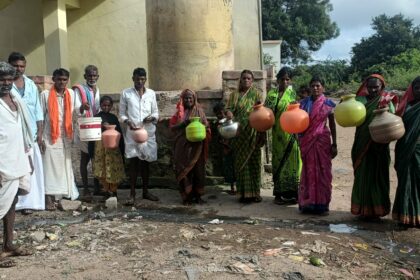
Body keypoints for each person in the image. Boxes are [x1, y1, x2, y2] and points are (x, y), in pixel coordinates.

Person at [351, 74, 398, 219]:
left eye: (376, 87)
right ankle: (361, 210)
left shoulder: (386, 101)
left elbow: (392, 122)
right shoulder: (359, 101)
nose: (372, 90)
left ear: (382, 87)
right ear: (366, 87)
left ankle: (377, 210)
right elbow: (350, 115)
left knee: (378, 177)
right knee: (362, 176)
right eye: (370, 87)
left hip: (380, 147)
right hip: (362, 145)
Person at [0, 61, 33, 267]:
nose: (5, 82)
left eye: (9, 79)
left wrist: (26, 156)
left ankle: (8, 245)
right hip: (2, 164)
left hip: (17, 158)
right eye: (1, 79)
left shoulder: (15, 99)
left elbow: (21, 130)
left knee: (11, 204)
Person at [8, 52, 45, 214]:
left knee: (31, 168)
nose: (19, 69)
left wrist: (40, 133)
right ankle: (13, 202)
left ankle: (29, 203)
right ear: (9, 65)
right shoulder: (5, 86)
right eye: (15, 65)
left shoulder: (30, 85)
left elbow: (38, 111)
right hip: (13, 135)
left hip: (31, 134)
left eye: (22, 66)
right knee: (15, 169)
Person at [40, 68, 80, 210]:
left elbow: (77, 111)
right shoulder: (45, 95)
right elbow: (41, 117)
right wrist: (40, 138)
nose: (62, 82)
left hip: (66, 136)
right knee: (49, 166)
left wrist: (83, 108)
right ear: (53, 79)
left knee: (64, 165)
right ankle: (48, 198)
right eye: (59, 79)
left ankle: (62, 195)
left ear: (68, 80)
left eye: (64, 79)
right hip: (50, 136)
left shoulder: (71, 93)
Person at [119, 67, 159, 204]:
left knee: (146, 163)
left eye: (142, 79)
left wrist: (151, 118)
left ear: (145, 80)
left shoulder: (151, 94)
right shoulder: (126, 93)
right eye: (137, 79)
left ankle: (146, 191)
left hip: (148, 132)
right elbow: (122, 114)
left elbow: (156, 113)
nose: (140, 82)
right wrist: (127, 121)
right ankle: (132, 193)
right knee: (133, 163)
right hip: (133, 132)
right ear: (133, 79)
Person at [298, 76, 337, 215]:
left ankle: (322, 203)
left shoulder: (328, 104)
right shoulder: (302, 104)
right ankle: (307, 203)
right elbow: (297, 122)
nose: (315, 88)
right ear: (309, 87)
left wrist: (335, 144)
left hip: (322, 141)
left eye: (318, 86)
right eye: (313, 85)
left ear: (323, 88)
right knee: (308, 172)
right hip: (307, 142)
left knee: (323, 172)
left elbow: (332, 124)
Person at [226, 70, 265, 203]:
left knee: (254, 162)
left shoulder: (256, 95)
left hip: (253, 134)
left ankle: (255, 193)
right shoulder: (234, 95)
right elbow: (228, 109)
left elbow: (261, 114)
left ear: (252, 81)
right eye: (244, 78)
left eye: (249, 78)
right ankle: (243, 193)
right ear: (240, 80)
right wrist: (229, 113)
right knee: (241, 164)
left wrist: (262, 133)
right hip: (239, 135)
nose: (246, 80)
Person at [265, 67, 301, 205]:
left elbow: (299, 112)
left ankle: (294, 194)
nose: (285, 82)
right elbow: (267, 113)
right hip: (277, 135)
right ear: (278, 80)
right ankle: (279, 194)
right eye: (282, 79)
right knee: (278, 163)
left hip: (291, 136)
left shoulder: (293, 94)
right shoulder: (271, 94)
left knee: (293, 163)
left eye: (287, 79)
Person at [170, 89, 211, 205]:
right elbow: (172, 127)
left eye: (190, 98)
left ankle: (198, 196)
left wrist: (204, 126)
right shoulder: (179, 112)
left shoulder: (199, 111)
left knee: (198, 171)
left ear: (194, 99)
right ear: (182, 99)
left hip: (197, 147)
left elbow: (206, 125)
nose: (188, 100)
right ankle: (186, 197)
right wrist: (183, 124)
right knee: (184, 171)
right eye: (186, 98)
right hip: (182, 147)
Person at [392, 76, 420, 227]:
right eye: (417, 88)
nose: (419, 91)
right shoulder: (407, 105)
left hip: (418, 150)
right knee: (405, 182)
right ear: (412, 90)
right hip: (404, 148)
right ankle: (404, 216)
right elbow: (397, 124)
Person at [72, 65, 101, 197]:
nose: (92, 78)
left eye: (94, 75)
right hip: (84, 127)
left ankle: (97, 187)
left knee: (96, 158)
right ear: (85, 77)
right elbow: (77, 109)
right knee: (85, 158)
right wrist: (83, 108)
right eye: (89, 75)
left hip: (95, 127)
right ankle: (85, 188)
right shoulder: (80, 90)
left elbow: (98, 109)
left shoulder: (97, 90)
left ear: (98, 77)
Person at [89, 96, 125, 197]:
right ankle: (105, 189)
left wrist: (122, 149)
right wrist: (91, 152)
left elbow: (119, 133)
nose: (106, 107)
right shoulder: (96, 117)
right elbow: (92, 135)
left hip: (112, 149)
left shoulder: (113, 118)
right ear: (100, 105)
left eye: (108, 105)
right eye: (104, 105)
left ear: (112, 106)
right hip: (100, 149)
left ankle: (113, 190)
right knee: (103, 169)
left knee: (112, 168)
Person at [213, 102, 236, 195]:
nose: (219, 115)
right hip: (225, 147)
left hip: (233, 146)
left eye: (221, 113)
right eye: (217, 114)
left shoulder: (230, 121)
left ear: (225, 112)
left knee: (234, 167)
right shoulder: (218, 123)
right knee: (229, 167)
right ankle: (232, 186)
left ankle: (235, 186)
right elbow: (218, 137)